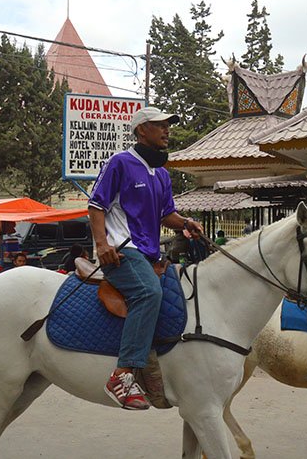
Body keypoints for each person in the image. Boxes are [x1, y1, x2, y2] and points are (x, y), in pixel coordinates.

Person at [89, 107, 204, 410]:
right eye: (160, 125)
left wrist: (186, 222)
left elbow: (167, 215)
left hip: (151, 254)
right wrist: (101, 244)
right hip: (122, 249)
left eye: (168, 125)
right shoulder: (120, 163)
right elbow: (96, 205)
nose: (167, 130)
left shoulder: (162, 174)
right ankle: (123, 374)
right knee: (148, 292)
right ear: (142, 130)